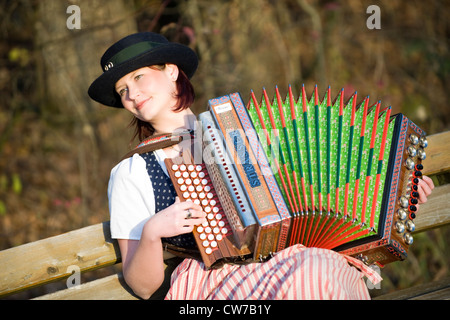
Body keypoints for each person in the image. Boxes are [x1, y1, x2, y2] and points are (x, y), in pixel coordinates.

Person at [88, 32, 434, 300]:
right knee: (313, 273)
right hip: (212, 285)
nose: (131, 94)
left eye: (138, 77)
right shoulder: (131, 173)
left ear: (172, 71)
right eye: (122, 90)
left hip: (292, 261)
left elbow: (325, 189)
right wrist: (152, 232)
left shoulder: (242, 131)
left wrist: (398, 189)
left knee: (319, 268)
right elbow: (143, 287)